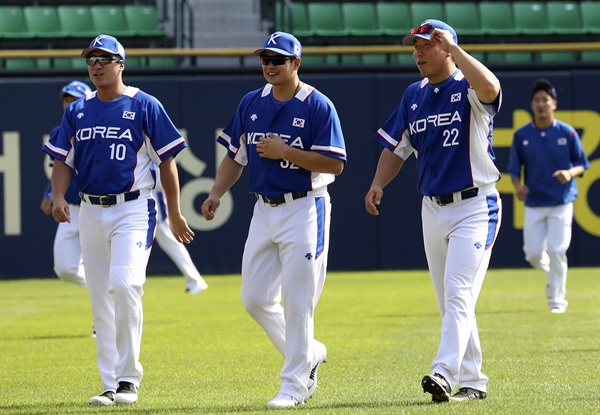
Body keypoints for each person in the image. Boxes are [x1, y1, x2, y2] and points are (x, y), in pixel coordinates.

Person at [42, 34, 194, 406]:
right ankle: (110, 383)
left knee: (124, 284)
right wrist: (59, 195)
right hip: (90, 210)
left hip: (133, 207)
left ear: (121, 64)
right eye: (91, 60)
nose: (96, 65)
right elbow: (62, 159)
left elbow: (167, 163)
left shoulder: (144, 105)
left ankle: (129, 378)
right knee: (100, 298)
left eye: (105, 59)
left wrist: (174, 213)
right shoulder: (77, 110)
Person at [201, 31, 347, 408]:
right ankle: (309, 351)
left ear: (295, 63)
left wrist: (288, 152)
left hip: (305, 206)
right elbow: (235, 156)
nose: (269, 65)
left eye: (278, 59)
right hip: (264, 208)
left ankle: (295, 385)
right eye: (265, 58)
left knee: (299, 302)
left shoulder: (317, 105)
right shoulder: (251, 102)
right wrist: (217, 192)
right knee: (254, 298)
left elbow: (335, 163)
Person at [364, 20, 502, 403]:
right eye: (416, 46)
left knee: (458, 293)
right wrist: (378, 184)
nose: (418, 52)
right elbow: (396, 148)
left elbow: (492, 89)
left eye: (427, 44)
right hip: (433, 208)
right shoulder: (414, 94)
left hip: (476, 205)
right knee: (450, 301)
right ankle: (474, 383)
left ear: (447, 48)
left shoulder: (467, 87)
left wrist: (456, 50)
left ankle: (443, 372)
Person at [507, 79, 589, 314]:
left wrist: (569, 172)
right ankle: (553, 279)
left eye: (545, 100)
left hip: (561, 201)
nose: (541, 104)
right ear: (532, 104)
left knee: (557, 250)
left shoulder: (567, 132)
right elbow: (514, 168)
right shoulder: (522, 135)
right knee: (533, 254)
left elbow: (582, 164)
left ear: (554, 104)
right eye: (537, 100)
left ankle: (557, 301)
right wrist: (518, 186)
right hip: (534, 202)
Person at [40, 81, 92, 290]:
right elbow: (59, 169)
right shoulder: (59, 131)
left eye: (74, 99)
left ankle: (106, 314)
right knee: (65, 268)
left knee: (107, 265)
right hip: (70, 209)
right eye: (67, 99)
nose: (69, 103)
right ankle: (105, 290)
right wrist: (50, 193)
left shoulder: (102, 128)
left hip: (97, 207)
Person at [154, 171, 208, 294]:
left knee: (169, 238)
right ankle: (194, 280)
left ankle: (195, 280)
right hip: (142, 194)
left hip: (153, 194)